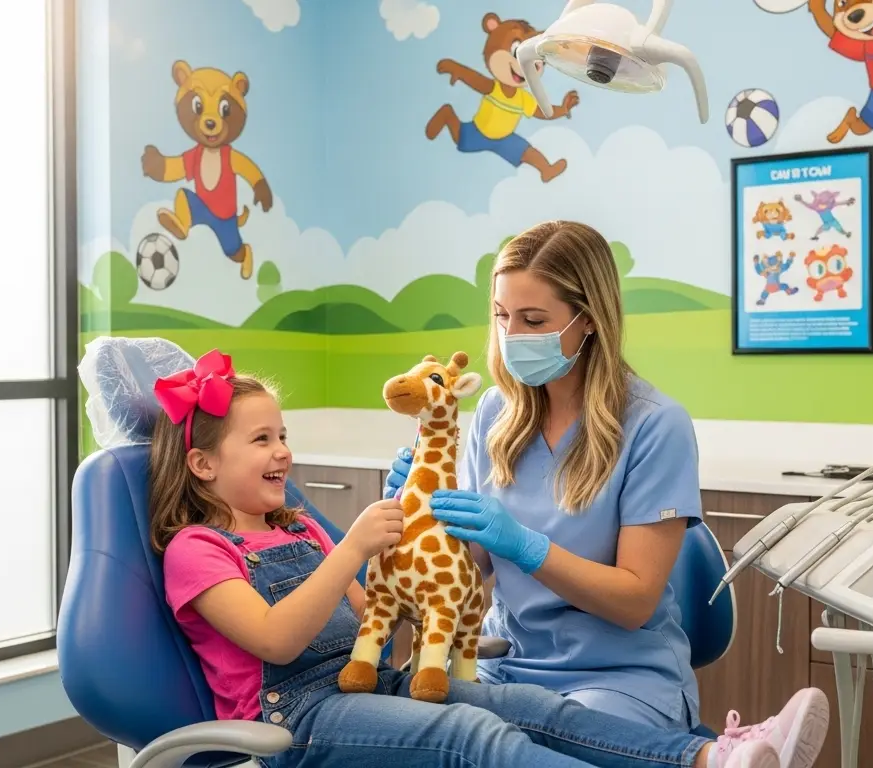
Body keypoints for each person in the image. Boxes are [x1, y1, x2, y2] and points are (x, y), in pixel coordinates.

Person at [148, 348, 829, 768]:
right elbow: (277, 638)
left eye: (284, 435)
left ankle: (710, 755)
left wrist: (418, 575)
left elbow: (376, 626)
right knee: (474, 735)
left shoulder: (299, 527)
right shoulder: (197, 549)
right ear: (204, 463)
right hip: (291, 720)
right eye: (261, 440)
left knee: (534, 710)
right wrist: (354, 547)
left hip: (363, 687)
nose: (284, 453)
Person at [383, 220, 829, 747]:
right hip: (507, 666)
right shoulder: (494, 415)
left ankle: (706, 754)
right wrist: (420, 518)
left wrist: (527, 547)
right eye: (502, 317)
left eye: (533, 319)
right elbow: (472, 567)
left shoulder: (653, 425)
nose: (511, 338)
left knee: (540, 752)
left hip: (617, 677)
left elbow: (635, 601)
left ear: (587, 320)